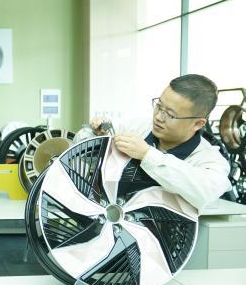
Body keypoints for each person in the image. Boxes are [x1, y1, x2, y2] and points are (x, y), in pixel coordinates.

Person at [89, 74, 231, 213]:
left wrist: (147, 155)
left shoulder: (210, 161)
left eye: (170, 114)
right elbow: (85, 153)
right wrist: (96, 133)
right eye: (159, 106)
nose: (158, 117)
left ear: (198, 124)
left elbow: (205, 193)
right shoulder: (137, 128)